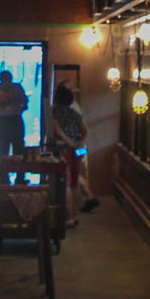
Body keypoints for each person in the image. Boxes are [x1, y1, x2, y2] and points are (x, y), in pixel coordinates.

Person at [48, 84, 94, 214]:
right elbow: (85, 132)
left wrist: (69, 142)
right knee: (74, 183)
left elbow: (57, 131)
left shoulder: (53, 112)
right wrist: (79, 144)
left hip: (64, 151)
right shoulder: (75, 113)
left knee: (65, 185)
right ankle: (75, 213)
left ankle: (67, 217)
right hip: (78, 151)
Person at [0, 70, 27, 184]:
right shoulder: (17, 88)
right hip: (15, 120)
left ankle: (2, 178)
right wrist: (16, 108)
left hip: (1, 122)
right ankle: (20, 178)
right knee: (18, 151)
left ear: (0, 78)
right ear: (11, 78)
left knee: (2, 151)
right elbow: (25, 104)